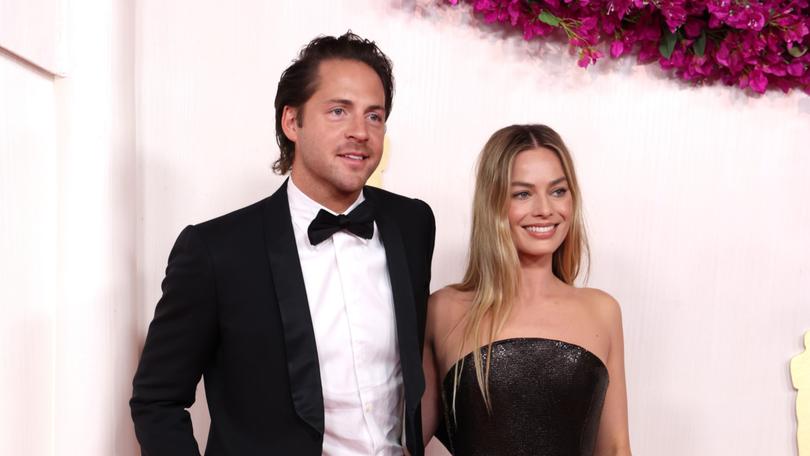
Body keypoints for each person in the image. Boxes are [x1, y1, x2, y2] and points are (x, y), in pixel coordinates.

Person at [130, 32, 435, 456]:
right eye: (338, 111)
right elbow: (157, 400)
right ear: (292, 122)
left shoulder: (413, 223)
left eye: (374, 116)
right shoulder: (215, 250)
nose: (360, 132)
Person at [421, 125, 631, 455]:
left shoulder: (602, 311)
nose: (545, 209)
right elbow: (399, 444)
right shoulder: (444, 309)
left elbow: (617, 448)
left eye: (558, 191)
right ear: (493, 203)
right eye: (523, 193)